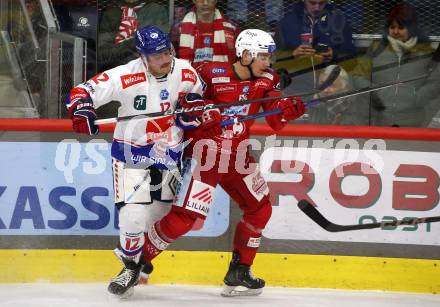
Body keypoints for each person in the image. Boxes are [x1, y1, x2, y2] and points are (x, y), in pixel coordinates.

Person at [138, 29, 305, 298]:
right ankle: (138, 261)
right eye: (263, 56)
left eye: (269, 56)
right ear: (246, 54)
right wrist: (195, 107)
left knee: (260, 210)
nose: (268, 62)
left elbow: (276, 122)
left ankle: (239, 271)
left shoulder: (267, 79)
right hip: (205, 155)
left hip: (239, 159)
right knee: (187, 218)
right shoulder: (209, 72)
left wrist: (288, 109)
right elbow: (182, 101)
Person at [66, 25, 206, 297]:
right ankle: (131, 267)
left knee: (159, 215)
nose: (165, 59)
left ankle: (138, 257)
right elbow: (81, 91)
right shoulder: (125, 76)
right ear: (143, 57)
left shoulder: (186, 72)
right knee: (133, 216)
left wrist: (192, 112)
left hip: (169, 156)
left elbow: (199, 104)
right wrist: (82, 109)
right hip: (132, 156)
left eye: (167, 52)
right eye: (156, 56)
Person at [354, 2, 437, 127]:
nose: (396, 31)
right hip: (379, 119)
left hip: (414, 121)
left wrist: (418, 97)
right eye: (392, 27)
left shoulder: (426, 52)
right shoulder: (377, 49)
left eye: (401, 27)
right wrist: (374, 94)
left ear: (412, 27)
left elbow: (435, 82)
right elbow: (358, 76)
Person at [98, 0, 169, 71]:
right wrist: (136, 42)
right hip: (116, 68)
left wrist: (125, 45)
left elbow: (158, 44)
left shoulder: (156, 10)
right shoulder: (111, 13)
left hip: (148, 68)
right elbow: (103, 52)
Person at [277, 0, 356, 63]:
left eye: (321, 3)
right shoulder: (286, 23)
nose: (317, 8)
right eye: (312, 3)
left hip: (329, 78)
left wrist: (334, 55)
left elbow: (352, 58)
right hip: (296, 77)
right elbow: (274, 58)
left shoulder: (339, 23)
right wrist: (292, 55)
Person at [175, 0, 238, 69]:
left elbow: (237, 60)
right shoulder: (179, 28)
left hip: (222, 77)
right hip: (190, 77)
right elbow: (173, 58)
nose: (205, 3)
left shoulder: (230, 27)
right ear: (194, 1)